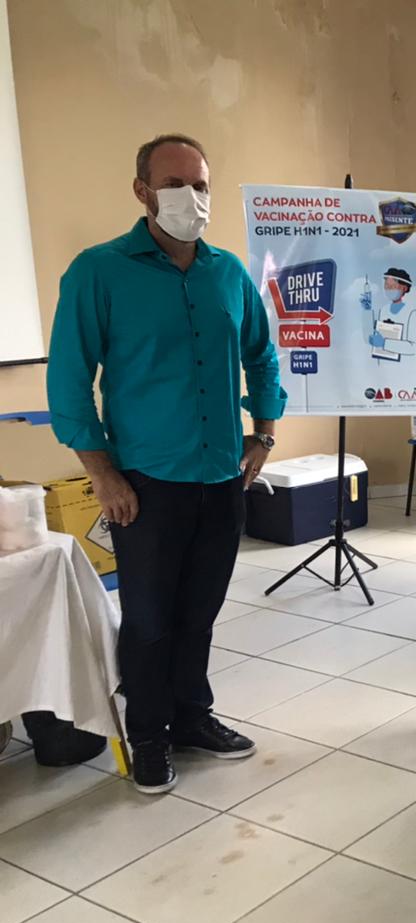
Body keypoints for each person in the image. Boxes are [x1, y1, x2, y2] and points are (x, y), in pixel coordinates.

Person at [46, 133, 287, 794]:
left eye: (200, 185)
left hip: (223, 476)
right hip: (146, 483)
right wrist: (102, 474)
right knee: (150, 622)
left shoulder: (227, 273)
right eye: (175, 184)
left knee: (199, 611)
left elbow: (262, 355)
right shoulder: (99, 272)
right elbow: (69, 381)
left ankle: (192, 717)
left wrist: (264, 434)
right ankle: (149, 735)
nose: (191, 197)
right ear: (142, 191)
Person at [364, 267, 416, 362]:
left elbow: (414, 347)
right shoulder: (384, 310)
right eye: (386, 286)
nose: (389, 289)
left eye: (393, 286)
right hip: (382, 364)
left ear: (404, 288)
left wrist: (384, 343)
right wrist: (366, 312)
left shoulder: (412, 312)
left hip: (404, 366)